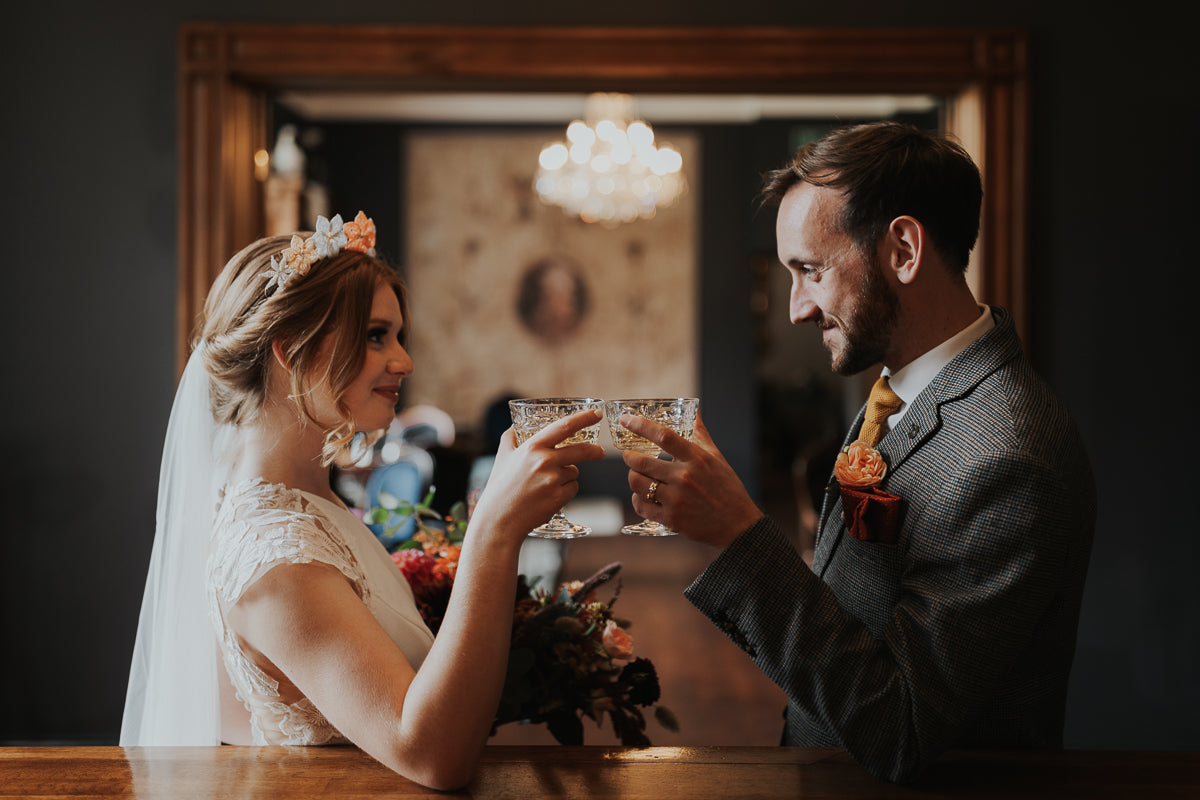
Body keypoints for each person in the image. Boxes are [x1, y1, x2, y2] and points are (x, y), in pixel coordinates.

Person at [615, 122, 1096, 783]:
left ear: (902, 248)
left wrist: (739, 533)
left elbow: (900, 727)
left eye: (809, 270)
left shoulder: (1007, 458)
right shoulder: (895, 393)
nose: (795, 310)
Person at [120, 211, 604, 790]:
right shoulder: (277, 559)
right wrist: (494, 531)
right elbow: (431, 756)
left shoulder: (310, 504)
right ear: (291, 350)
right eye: (377, 336)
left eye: (397, 336)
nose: (404, 361)